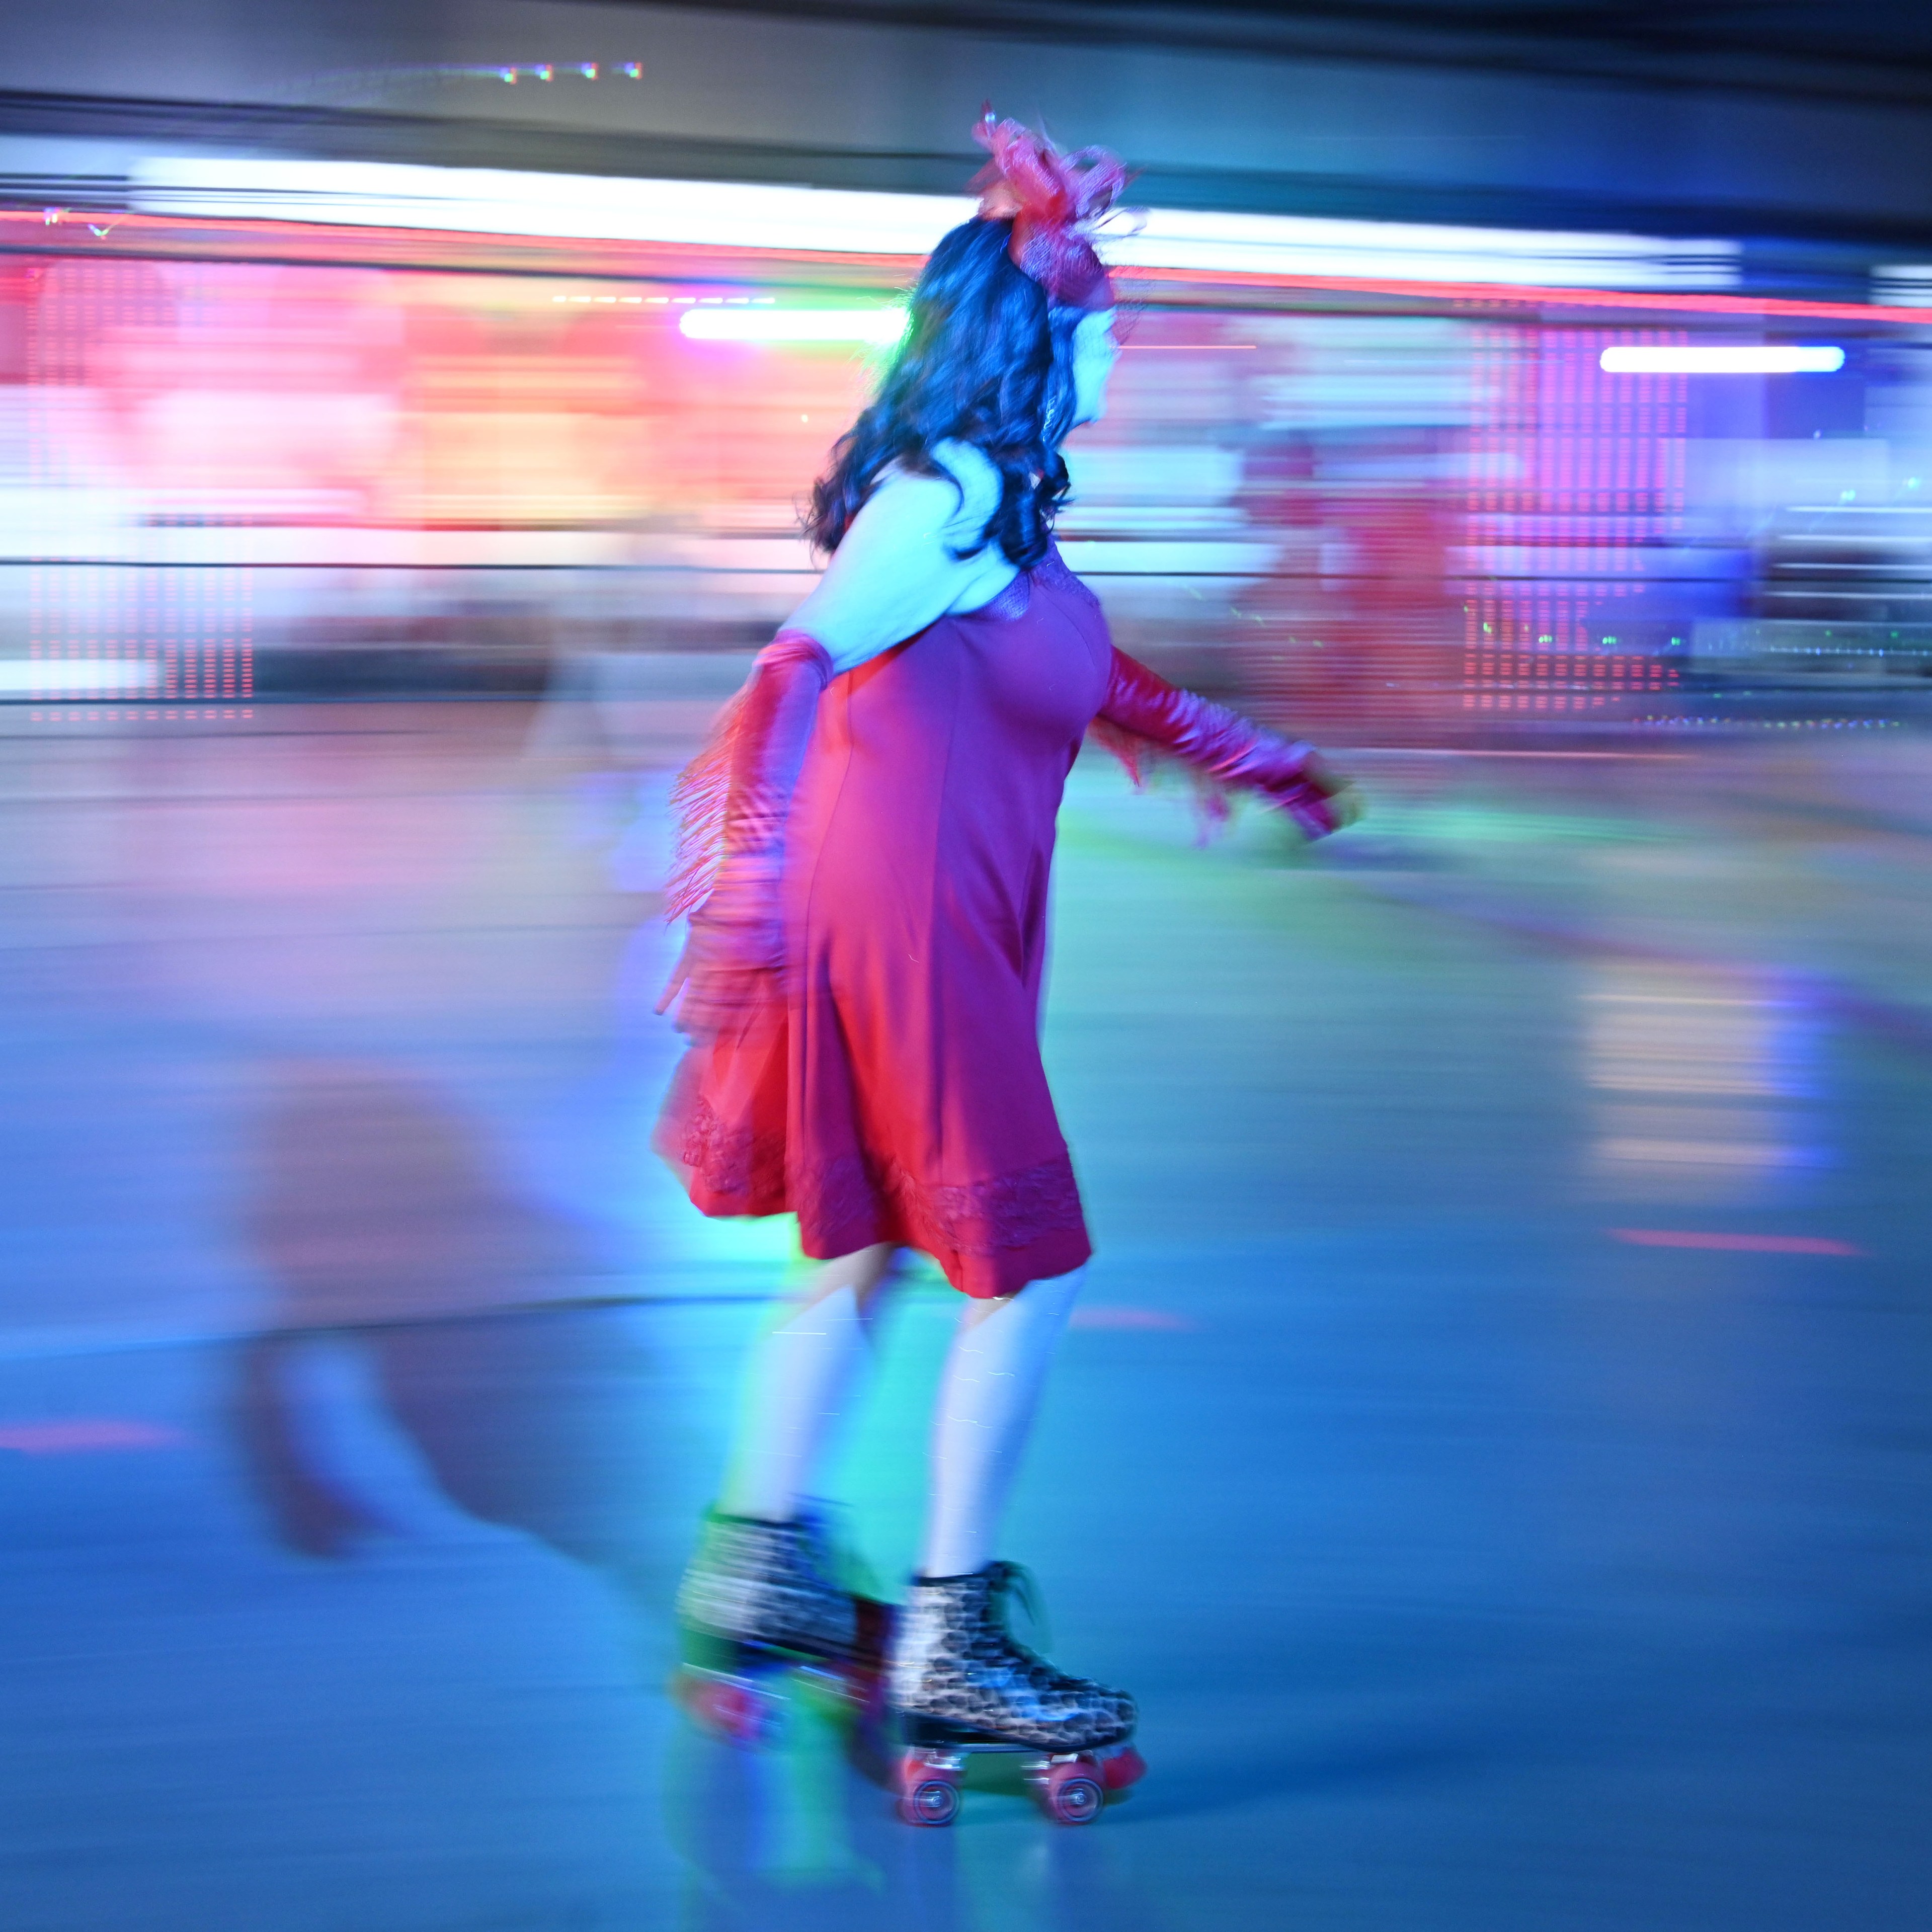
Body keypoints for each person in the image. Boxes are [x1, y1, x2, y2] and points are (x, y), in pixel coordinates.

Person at [655, 115, 1351, 1790]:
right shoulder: (947, 495)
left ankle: (756, 1577)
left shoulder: (1003, 514)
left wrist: (1239, 752)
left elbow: (1081, 677)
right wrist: (743, 884)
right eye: (1101, 311)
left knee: (863, 1259)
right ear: (1031, 329)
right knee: (1024, 1274)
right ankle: (955, 1645)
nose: (1119, 336)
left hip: (918, 924)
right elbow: (793, 672)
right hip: (897, 936)